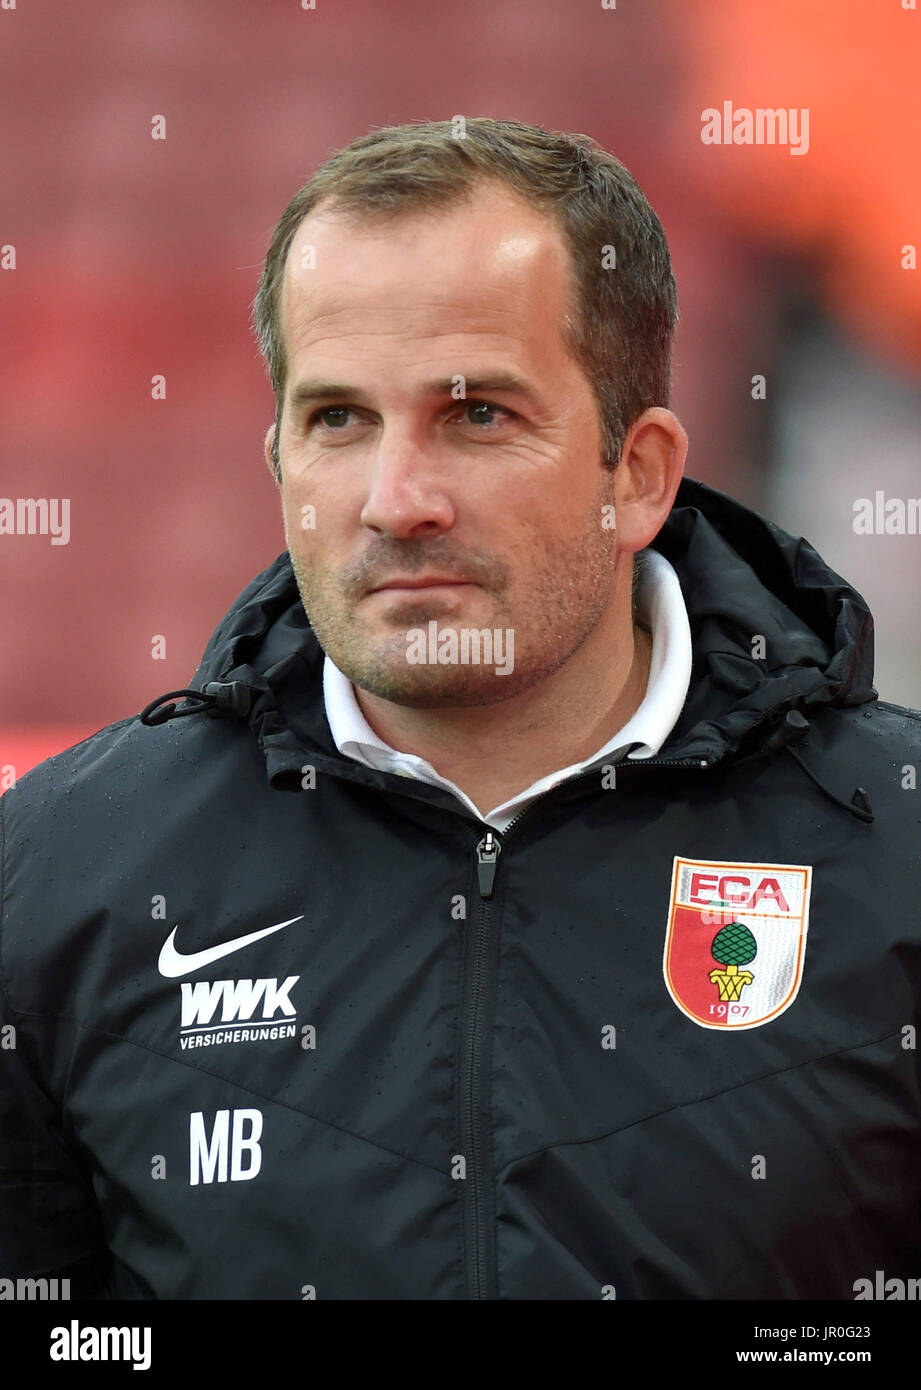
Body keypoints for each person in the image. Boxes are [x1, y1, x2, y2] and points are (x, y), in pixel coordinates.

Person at [1, 117, 919, 1301]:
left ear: (637, 472)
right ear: (278, 454)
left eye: (476, 414)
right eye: (339, 420)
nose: (398, 499)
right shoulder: (63, 874)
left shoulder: (892, 849)